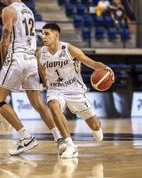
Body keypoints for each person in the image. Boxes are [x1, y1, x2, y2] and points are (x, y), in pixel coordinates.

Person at [0, 0, 65, 156]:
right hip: (31, 59)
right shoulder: (29, 11)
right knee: (38, 103)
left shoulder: (9, 10)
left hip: (17, 57)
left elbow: (5, 39)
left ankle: (25, 137)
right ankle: (60, 139)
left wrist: (4, 61)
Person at [37, 23, 115, 158]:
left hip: (75, 90)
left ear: (56, 35)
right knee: (53, 105)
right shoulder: (40, 53)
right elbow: (41, 70)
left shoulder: (69, 49)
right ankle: (70, 144)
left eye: (47, 34)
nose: (43, 37)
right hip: (56, 89)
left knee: (95, 126)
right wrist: (47, 85)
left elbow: (91, 63)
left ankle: (96, 128)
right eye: (42, 34)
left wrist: (106, 68)